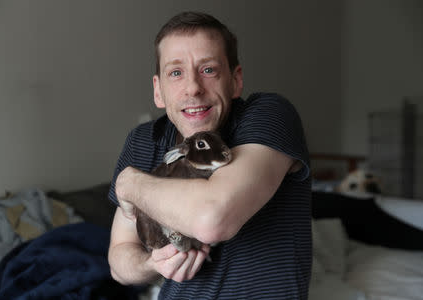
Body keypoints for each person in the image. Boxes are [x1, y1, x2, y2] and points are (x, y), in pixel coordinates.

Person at [108, 11, 311, 299]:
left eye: (208, 70)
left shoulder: (270, 114)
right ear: (158, 90)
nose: (193, 87)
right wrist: (151, 263)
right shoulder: (143, 141)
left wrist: (129, 183)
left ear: (235, 80)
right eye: (176, 72)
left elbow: (212, 220)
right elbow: (119, 260)